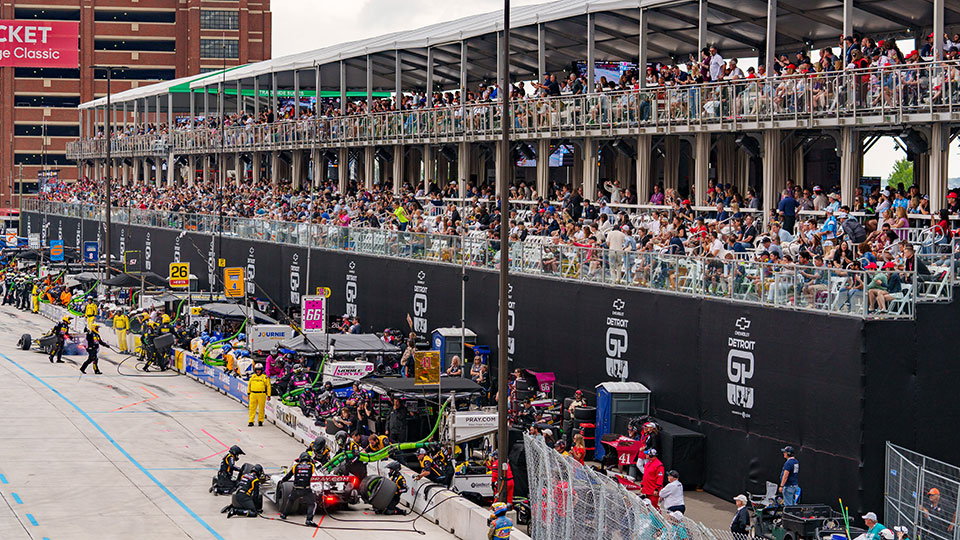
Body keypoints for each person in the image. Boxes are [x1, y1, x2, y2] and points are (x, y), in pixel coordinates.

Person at [278, 452, 318, 527]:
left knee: (290, 500)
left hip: (296, 489)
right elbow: (315, 472)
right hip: (306, 489)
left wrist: (282, 480)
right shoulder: (311, 466)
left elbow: (288, 476)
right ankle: (309, 520)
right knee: (312, 504)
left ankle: (284, 515)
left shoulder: (295, 466)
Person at [247, 363, 270, 427]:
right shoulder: (252, 376)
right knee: (252, 408)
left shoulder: (265, 377)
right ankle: (251, 421)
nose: (258, 371)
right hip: (253, 394)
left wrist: (269, 395)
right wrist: (248, 393)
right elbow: (249, 385)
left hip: (262, 394)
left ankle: (260, 421)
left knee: (261, 408)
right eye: (257, 370)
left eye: (259, 370)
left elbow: (268, 386)